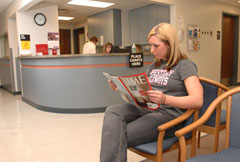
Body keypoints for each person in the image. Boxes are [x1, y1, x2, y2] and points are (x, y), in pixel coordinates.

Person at [100, 22, 203, 162]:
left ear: (169, 44)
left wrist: (165, 99)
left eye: (156, 46)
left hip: (167, 115)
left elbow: (197, 100)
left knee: (116, 135)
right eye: (150, 45)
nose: (152, 50)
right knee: (112, 111)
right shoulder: (156, 64)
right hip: (147, 108)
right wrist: (121, 88)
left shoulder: (185, 65)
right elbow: (143, 90)